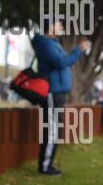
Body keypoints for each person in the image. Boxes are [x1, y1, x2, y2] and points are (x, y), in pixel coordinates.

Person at [32, 21, 90, 176]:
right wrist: (79, 49)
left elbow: (63, 62)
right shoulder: (46, 44)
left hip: (57, 92)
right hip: (52, 92)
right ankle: (45, 167)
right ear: (50, 26)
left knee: (54, 129)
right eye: (59, 25)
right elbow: (62, 62)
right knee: (52, 129)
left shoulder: (52, 43)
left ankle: (47, 164)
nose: (62, 28)